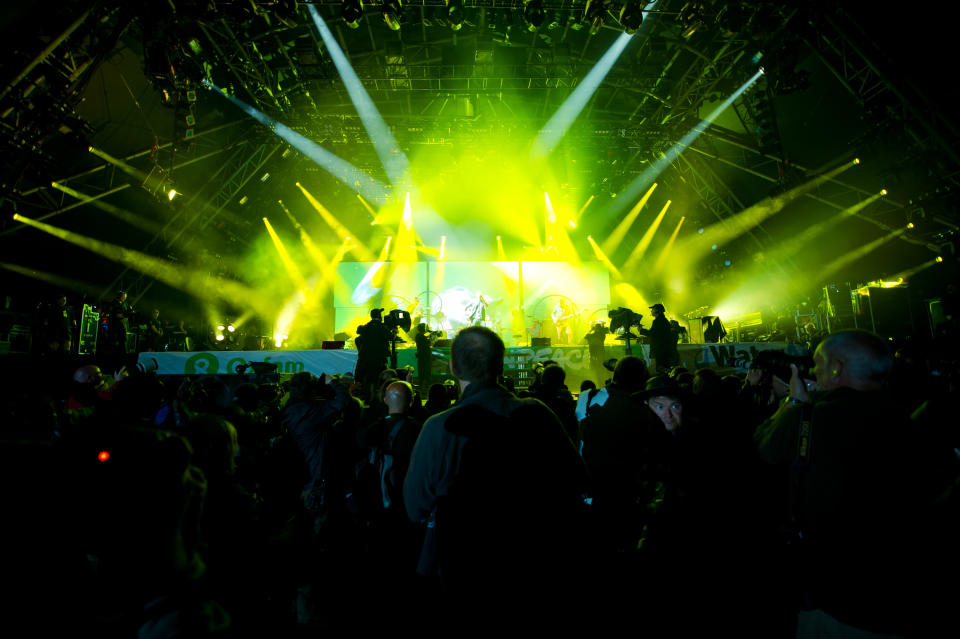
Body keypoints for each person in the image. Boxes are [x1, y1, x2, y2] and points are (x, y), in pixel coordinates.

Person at [754, 330, 934, 636]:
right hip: (908, 596)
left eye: (818, 364)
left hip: (837, 601)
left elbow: (764, 450)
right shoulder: (914, 419)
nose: (814, 371)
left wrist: (794, 401)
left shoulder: (811, 419)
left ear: (836, 368)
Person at [403, 327, 588, 621]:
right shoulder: (537, 415)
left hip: (460, 565)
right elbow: (579, 480)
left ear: (452, 366)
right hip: (533, 564)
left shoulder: (439, 427)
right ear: (501, 366)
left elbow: (415, 507)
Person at [355, 308, 390, 400]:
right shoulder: (383, 327)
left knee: (366, 382)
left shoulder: (365, 327)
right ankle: (377, 401)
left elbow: (358, 339)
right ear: (379, 316)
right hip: (378, 361)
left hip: (365, 361)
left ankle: (365, 400)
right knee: (378, 382)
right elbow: (390, 337)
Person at [638, 303, 677, 373]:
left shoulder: (658, 321)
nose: (651, 311)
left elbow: (652, 333)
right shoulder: (664, 320)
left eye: (652, 309)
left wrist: (641, 330)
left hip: (660, 350)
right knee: (664, 368)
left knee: (661, 368)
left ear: (657, 311)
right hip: (665, 349)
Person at [104, 290, 133, 355]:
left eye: (126, 297)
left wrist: (130, 311)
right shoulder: (114, 303)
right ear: (120, 296)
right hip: (115, 328)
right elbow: (118, 315)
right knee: (114, 343)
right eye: (124, 296)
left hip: (122, 327)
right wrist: (126, 314)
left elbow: (128, 311)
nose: (125, 298)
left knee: (123, 342)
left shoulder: (125, 304)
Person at [413, 323, 436, 389]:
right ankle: (424, 385)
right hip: (424, 355)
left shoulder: (419, 336)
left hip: (422, 355)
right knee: (425, 370)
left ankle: (423, 384)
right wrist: (433, 338)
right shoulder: (421, 336)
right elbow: (428, 344)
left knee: (422, 369)